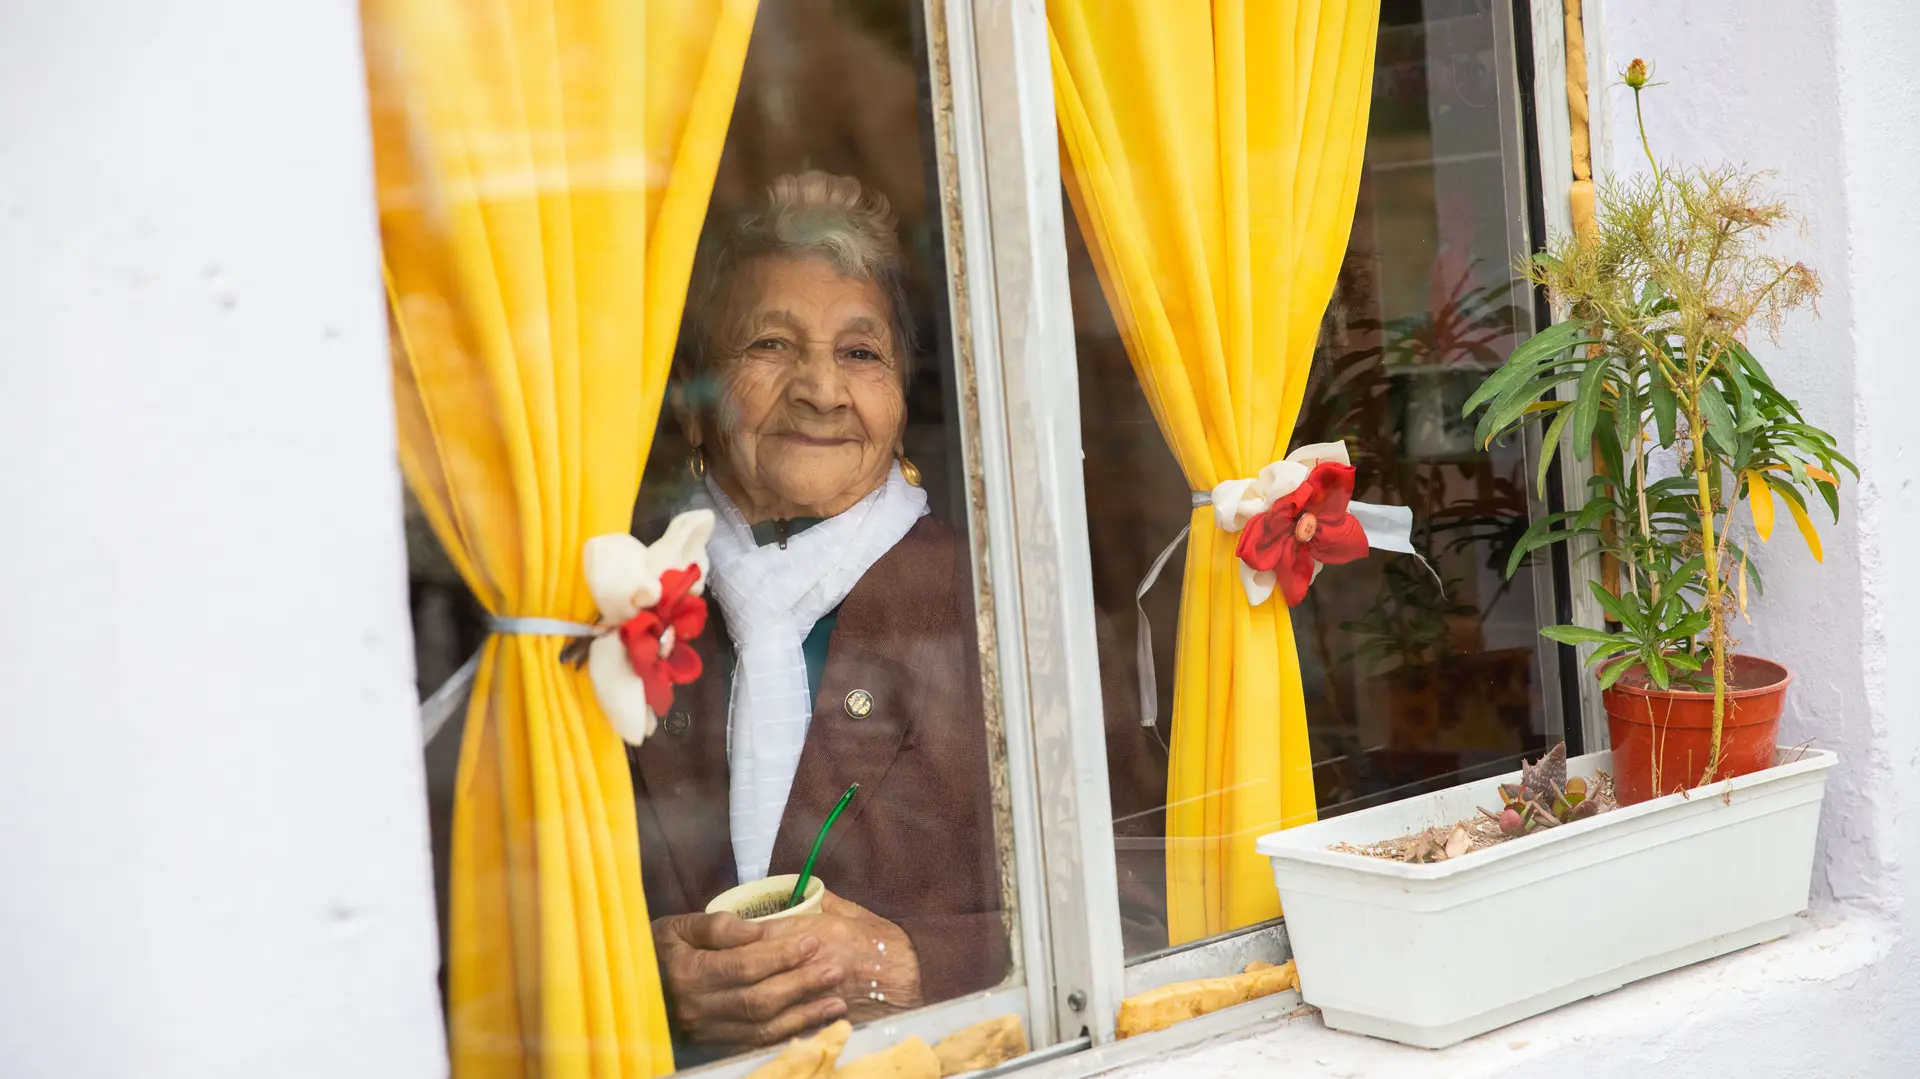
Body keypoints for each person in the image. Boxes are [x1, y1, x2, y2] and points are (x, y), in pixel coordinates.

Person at [630, 171, 1166, 1056]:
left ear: (901, 403)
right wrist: (641, 978)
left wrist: (909, 964)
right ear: (696, 395)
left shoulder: (1005, 607)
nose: (821, 390)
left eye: (859, 353)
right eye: (770, 344)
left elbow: (1147, 920)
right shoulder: (617, 603)